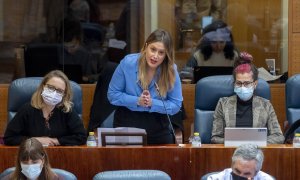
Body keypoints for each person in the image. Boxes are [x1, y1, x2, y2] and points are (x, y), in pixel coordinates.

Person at [107, 29, 183, 144]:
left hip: (158, 124)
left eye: (161, 52)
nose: (155, 56)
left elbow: (176, 105)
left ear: (166, 55)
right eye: (153, 49)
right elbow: (112, 95)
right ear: (146, 46)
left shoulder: (171, 70)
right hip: (127, 121)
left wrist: (152, 103)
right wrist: (137, 100)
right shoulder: (128, 63)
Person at [211, 52, 284, 144]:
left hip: (257, 153)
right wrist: (238, 143)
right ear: (234, 84)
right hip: (231, 152)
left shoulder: (266, 105)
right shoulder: (223, 104)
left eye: (246, 83)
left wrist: (254, 143)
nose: (242, 87)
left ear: (255, 84)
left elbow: (278, 137)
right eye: (239, 83)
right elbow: (215, 138)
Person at [4, 70, 87, 146]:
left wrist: (56, 141)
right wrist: (36, 140)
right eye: (50, 87)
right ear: (43, 86)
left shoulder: (67, 110)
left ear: (64, 94)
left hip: (60, 156)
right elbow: (9, 138)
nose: (54, 93)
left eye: (59, 91)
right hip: (32, 157)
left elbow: (82, 137)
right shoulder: (27, 109)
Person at [208, 143, 274, 180]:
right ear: (232, 165)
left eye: (247, 174)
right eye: (237, 171)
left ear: (256, 172)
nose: (240, 176)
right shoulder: (216, 179)